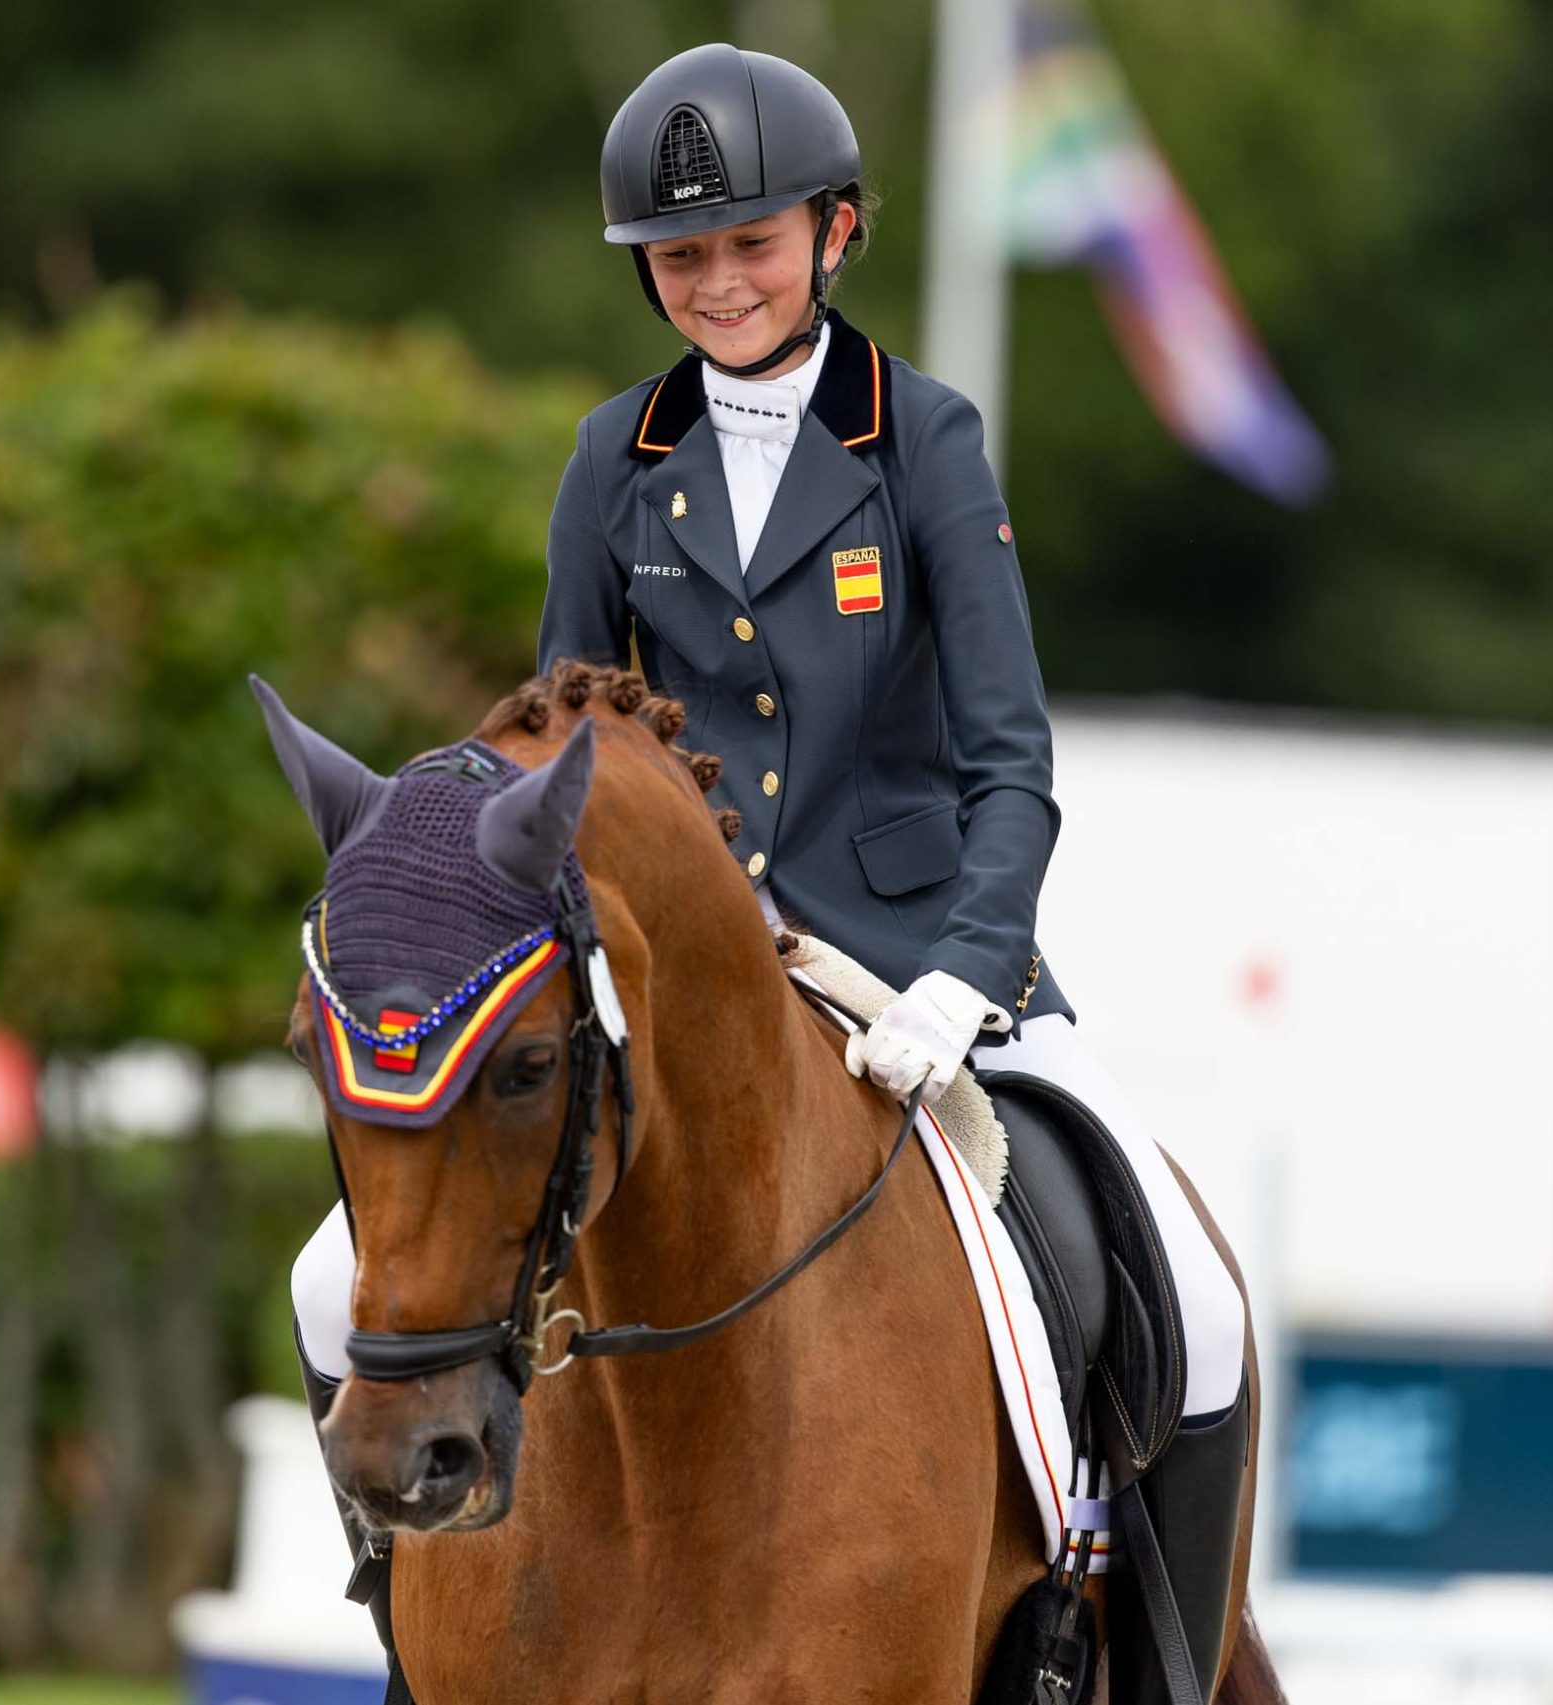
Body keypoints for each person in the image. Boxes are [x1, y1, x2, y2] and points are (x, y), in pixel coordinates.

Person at [289, 42, 1250, 1694]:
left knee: (1192, 1288)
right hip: (680, 979)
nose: (718, 280)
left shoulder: (923, 442)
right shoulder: (613, 460)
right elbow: (554, 746)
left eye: (752, 242)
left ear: (836, 232)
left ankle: (1145, 1650)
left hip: (923, 959)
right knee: (335, 1280)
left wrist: (966, 967)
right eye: (681, 255)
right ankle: (422, 1630)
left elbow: (1010, 759)